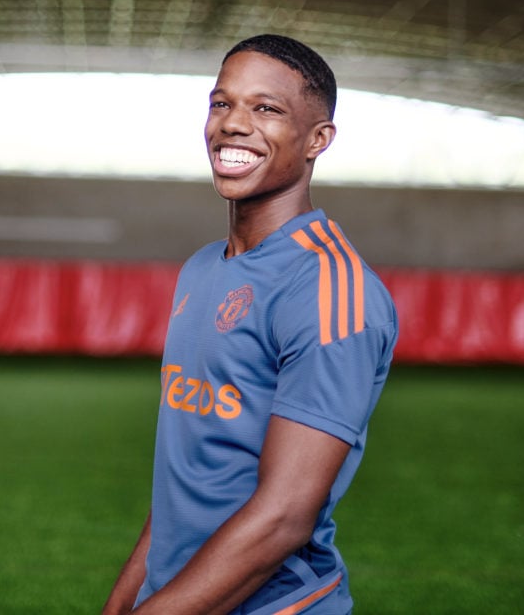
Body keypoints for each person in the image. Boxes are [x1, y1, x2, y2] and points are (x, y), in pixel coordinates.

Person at [103, 34, 397, 615]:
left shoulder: (328, 286)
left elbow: (284, 517)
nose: (234, 123)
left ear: (319, 139)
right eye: (222, 103)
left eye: (266, 108)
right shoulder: (202, 268)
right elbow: (181, 492)